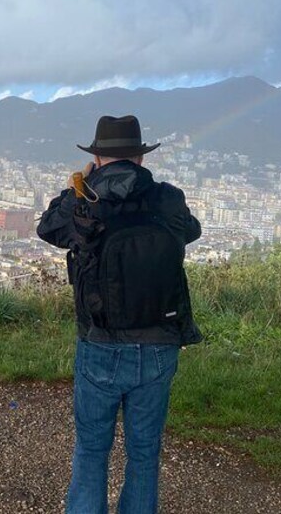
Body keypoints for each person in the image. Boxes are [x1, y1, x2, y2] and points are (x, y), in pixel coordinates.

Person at [37, 115, 202, 514]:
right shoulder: (167, 198)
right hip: (161, 341)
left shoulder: (86, 202)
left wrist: (77, 186)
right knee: (144, 454)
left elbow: (48, 229)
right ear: (140, 157)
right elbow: (191, 232)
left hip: (101, 343)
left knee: (92, 450)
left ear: (96, 155)